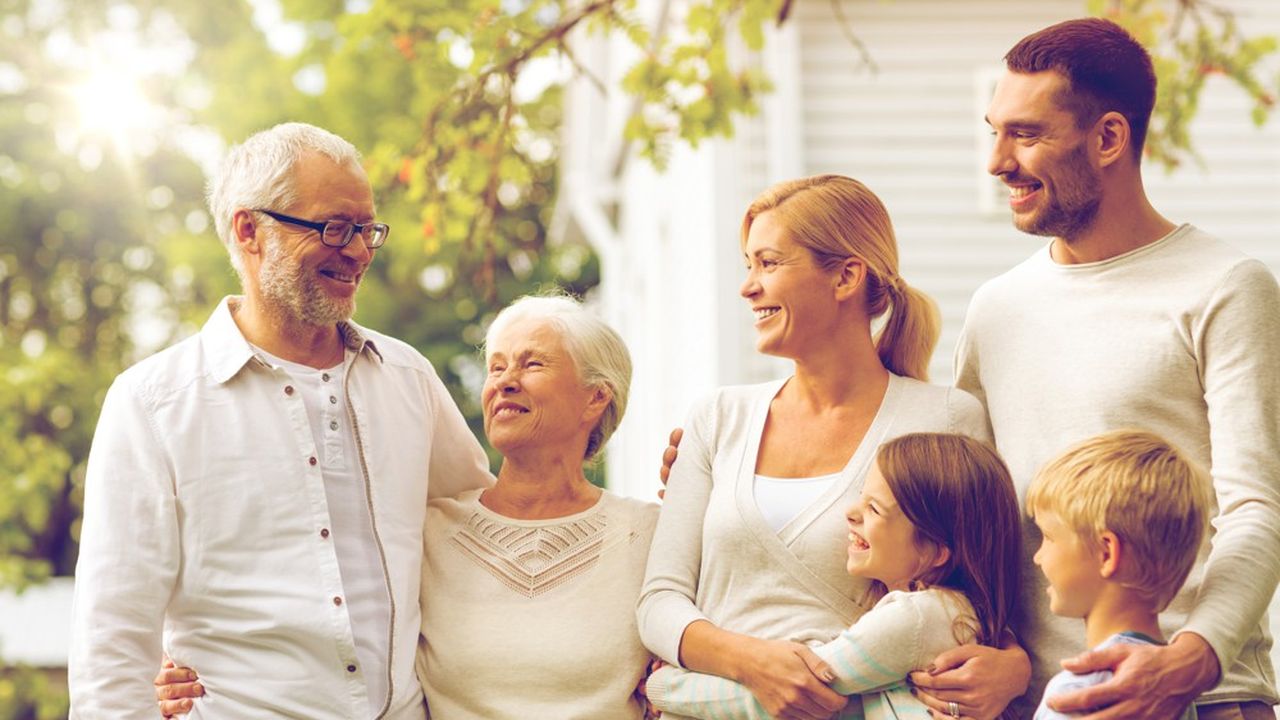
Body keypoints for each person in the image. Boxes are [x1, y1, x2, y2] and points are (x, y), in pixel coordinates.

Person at [68, 122, 493, 719]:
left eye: (367, 229)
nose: (360, 251)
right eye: (335, 227)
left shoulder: (408, 377)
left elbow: (487, 534)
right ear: (250, 230)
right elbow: (112, 640)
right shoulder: (152, 403)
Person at [955, 17, 1280, 719]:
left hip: (1205, 698)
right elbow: (971, 511)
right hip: (1044, 701)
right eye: (995, 131)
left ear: (1108, 137)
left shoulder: (1227, 286)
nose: (997, 162)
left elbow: (1257, 507)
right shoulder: (997, 307)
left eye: (1028, 134)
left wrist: (1191, 658)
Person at [637, 174, 1030, 720]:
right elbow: (659, 602)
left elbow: (982, 596)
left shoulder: (945, 419)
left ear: (845, 276)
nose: (748, 286)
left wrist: (1014, 667)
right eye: (748, 265)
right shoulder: (717, 418)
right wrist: (753, 664)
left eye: (769, 263)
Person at [157, 294, 660, 719]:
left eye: (532, 363)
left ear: (596, 398)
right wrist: (190, 668)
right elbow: (313, 612)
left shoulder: (650, 535)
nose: (505, 381)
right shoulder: (428, 532)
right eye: (497, 366)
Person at [644, 433, 1022, 720]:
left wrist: (665, 686)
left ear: (936, 551)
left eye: (873, 509)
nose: (850, 513)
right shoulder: (951, 615)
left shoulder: (914, 618)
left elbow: (797, 689)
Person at [1026, 430, 1211, 720]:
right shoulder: (1175, 697)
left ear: (1106, 554)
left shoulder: (1078, 691)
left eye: (1048, 537)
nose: (1037, 557)